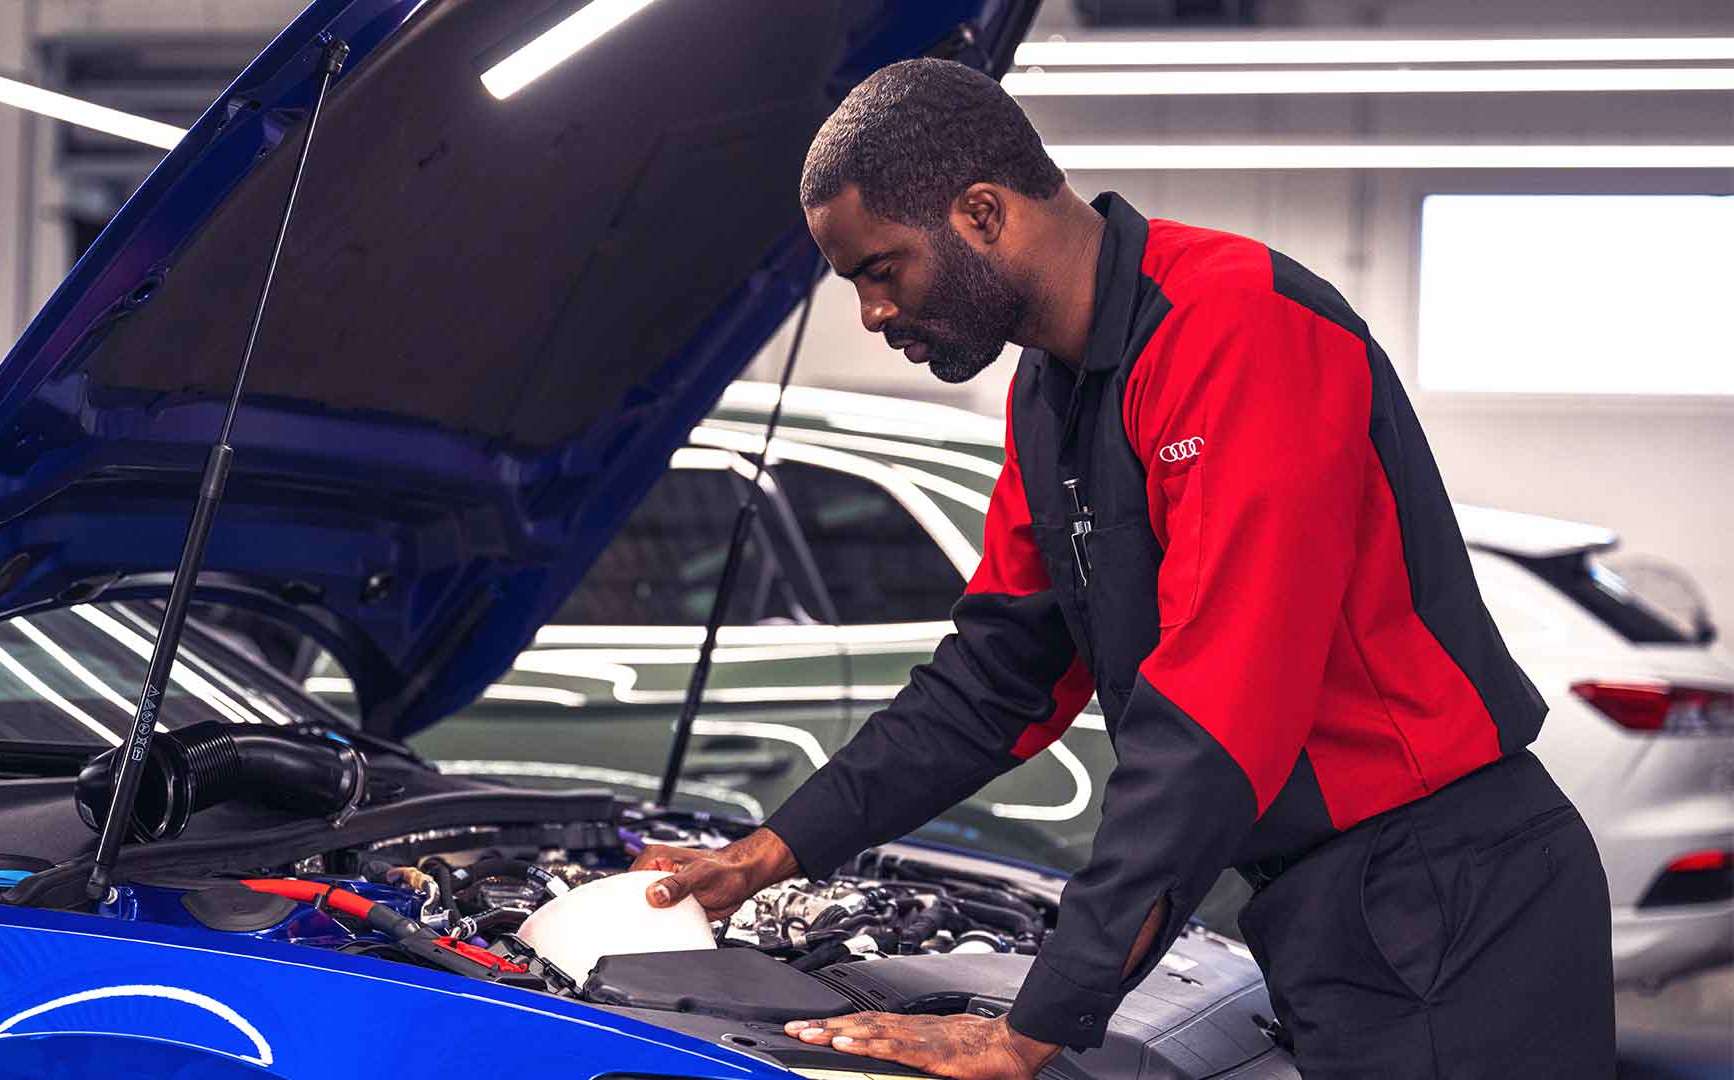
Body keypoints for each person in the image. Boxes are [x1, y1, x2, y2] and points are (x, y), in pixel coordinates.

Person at [632, 58, 1615, 1079]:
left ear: (980, 213)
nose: (873, 314)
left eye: (879, 270)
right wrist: (772, 852)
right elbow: (993, 680)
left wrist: (1035, 1024)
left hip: (1448, 895)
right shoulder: (1048, 395)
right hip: (1328, 902)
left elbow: (1221, 715)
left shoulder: (1238, 324)